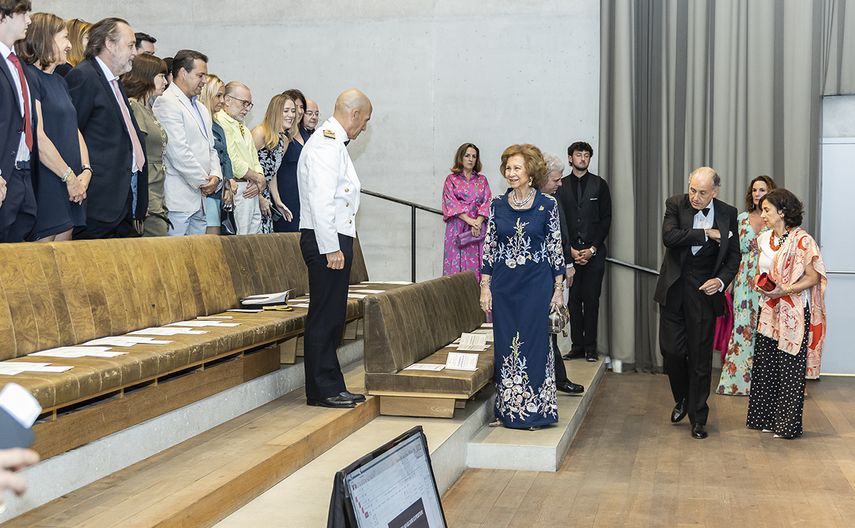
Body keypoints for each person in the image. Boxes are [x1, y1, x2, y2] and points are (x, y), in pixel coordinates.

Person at [480, 144, 565, 429]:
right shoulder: (497, 205)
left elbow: (555, 248)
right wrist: (485, 286)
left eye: (517, 168)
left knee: (534, 346)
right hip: (505, 288)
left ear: (530, 173)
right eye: (508, 168)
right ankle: (507, 411)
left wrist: (558, 289)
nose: (511, 173)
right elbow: (490, 248)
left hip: (536, 287)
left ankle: (535, 413)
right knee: (506, 348)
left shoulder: (547, 205)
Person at [297, 88, 371, 408]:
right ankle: (321, 389)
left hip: (335, 237)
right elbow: (321, 200)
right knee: (325, 316)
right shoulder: (326, 144)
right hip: (326, 238)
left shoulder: (334, 143)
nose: (365, 127)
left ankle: (332, 384)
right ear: (353, 114)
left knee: (333, 315)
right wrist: (331, 248)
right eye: (365, 120)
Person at [654, 167, 740, 439]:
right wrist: (707, 234)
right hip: (675, 290)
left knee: (700, 359)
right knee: (673, 352)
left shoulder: (728, 213)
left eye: (702, 192)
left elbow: (734, 256)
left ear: (714, 192)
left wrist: (721, 280)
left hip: (705, 292)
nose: (696, 196)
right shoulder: (675, 204)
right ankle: (682, 397)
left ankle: (698, 418)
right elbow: (670, 237)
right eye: (693, 189)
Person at [747, 189, 827, 438]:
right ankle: (766, 419)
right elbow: (761, 268)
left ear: (782, 211)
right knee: (766, 365)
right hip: (769, 309)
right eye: (762, 210)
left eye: (767, 210)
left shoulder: (803, 241)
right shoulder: (763, 238)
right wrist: (762, 286)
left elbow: (814, 277)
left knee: (790, 368)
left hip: (793, 311)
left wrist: (786, 289)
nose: (762, 215)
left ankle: (787, 426)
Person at [66, 17, 148, 238]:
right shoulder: (84, 76)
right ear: (109, 44)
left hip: (122, 199)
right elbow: (71, 134)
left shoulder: (115, 81)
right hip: (98, 203)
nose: (135, 52)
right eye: (130, 45)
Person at [17, 12, 90, 241]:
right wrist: (69, 177)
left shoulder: (60, 80)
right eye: (64, 38)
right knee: (44, 264)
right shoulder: (30, 77)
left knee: (65, 265)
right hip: (50, 180)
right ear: (45, 39)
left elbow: (74, 128)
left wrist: (86, 170)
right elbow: (38, 136)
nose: (69, 45)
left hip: (72, 182)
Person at [716, 175, 776, 395]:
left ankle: (767, 385)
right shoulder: (741, 218)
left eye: (762, 189)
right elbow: (732, 253)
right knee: (743, 326)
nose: (757, 193)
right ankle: (737, 383)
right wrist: (728, 281)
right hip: (744, 277)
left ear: (771, 192)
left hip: (769, 279)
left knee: (768, 328)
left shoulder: (777, 219)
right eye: (754, 190)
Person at [153, 49, 221, 236]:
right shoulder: (166, 102)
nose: (204, 81)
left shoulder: (201, 107)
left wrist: (215, 176)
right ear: (183, 73)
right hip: (179, 198)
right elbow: (177, 151)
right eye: (200, 75)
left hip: (200, 198)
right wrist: (203, 181)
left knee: (197, 258)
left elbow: (211, 148)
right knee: (176, 258)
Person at [555, 141, 611, 363]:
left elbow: (606, 219)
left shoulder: (600, 185)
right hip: (569, 254)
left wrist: (593, 248)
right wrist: (569, 249)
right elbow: (557, 220)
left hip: (594, 254)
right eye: (579, 155)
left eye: (586, 155)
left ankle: (590, 347)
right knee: (573, 301)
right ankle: (576, 346)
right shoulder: (560, 185)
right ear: (570, 158)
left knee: (592, 300)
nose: (583, 158)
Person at [539, 153, 583, 394]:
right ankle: (557, 378)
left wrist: (567, 264)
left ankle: (558, 377)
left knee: (552, 329)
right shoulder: (536, 202)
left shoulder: (553, 199)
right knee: (547, 330)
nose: (560, 183)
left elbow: (562, 234)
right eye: (556, 179)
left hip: (553, 274)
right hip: (539, 276)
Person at [0, 0, 38, 243]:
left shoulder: (17, 64)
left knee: (19, 251)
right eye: (23, 13)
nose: (29, 20)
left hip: (23, 170)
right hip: (4, 173)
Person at [123, 53, 169, 236]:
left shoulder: (147, 109)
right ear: (147, 76)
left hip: (157, 187)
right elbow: (135, 153)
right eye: (161, 76)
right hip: (146, 188)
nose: (165, 81)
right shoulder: (134, 107)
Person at [216, 81, 265, 234]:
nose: (246, 109)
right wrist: (257, 178)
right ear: (227, 100)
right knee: (241, 241)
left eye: (249, 104)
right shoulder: (221, 121)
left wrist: (260, 179)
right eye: (244, 103)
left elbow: (254, 158)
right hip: (238, 187)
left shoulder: (241, 125)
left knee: (254, 239)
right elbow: (232, 160)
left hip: (252, 187)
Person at [441, 143, 492, 281]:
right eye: (467, 155)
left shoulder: (482, 180)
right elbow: (450, 201)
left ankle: (478, 298)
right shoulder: (451, 179)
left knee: (478, 263)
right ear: (461, 157)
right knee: (455, 264)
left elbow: (487, 201)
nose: (470, 159)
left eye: (474, 156)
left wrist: (478, 222)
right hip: (457, 225)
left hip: (477, 228)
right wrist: (470, 221)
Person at [252, 93, 295, 233]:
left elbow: (272, 173)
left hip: (265, 199)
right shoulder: (260, 133)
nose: (291, 115)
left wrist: (278, 201)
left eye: (293, 111)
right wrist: (258, 198)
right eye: (286, 110)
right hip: (249, 194)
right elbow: (242, 170)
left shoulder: (284, 140)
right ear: (276, 112)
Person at [199, 73, 234, 235]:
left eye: (223, 96)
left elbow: (225, 157)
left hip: (218, 190)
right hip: (205, 188)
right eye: (218, 96)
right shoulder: (201, 122)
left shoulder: (218, 125)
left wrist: (227, 183)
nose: (222, 101)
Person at [275, 88, 311, 232]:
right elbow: (273, 169)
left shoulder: (306, 134)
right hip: (285, 193)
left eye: (302, 107)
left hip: (303, 195)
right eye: (295, 107)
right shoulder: (282, 135)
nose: (298, 111)